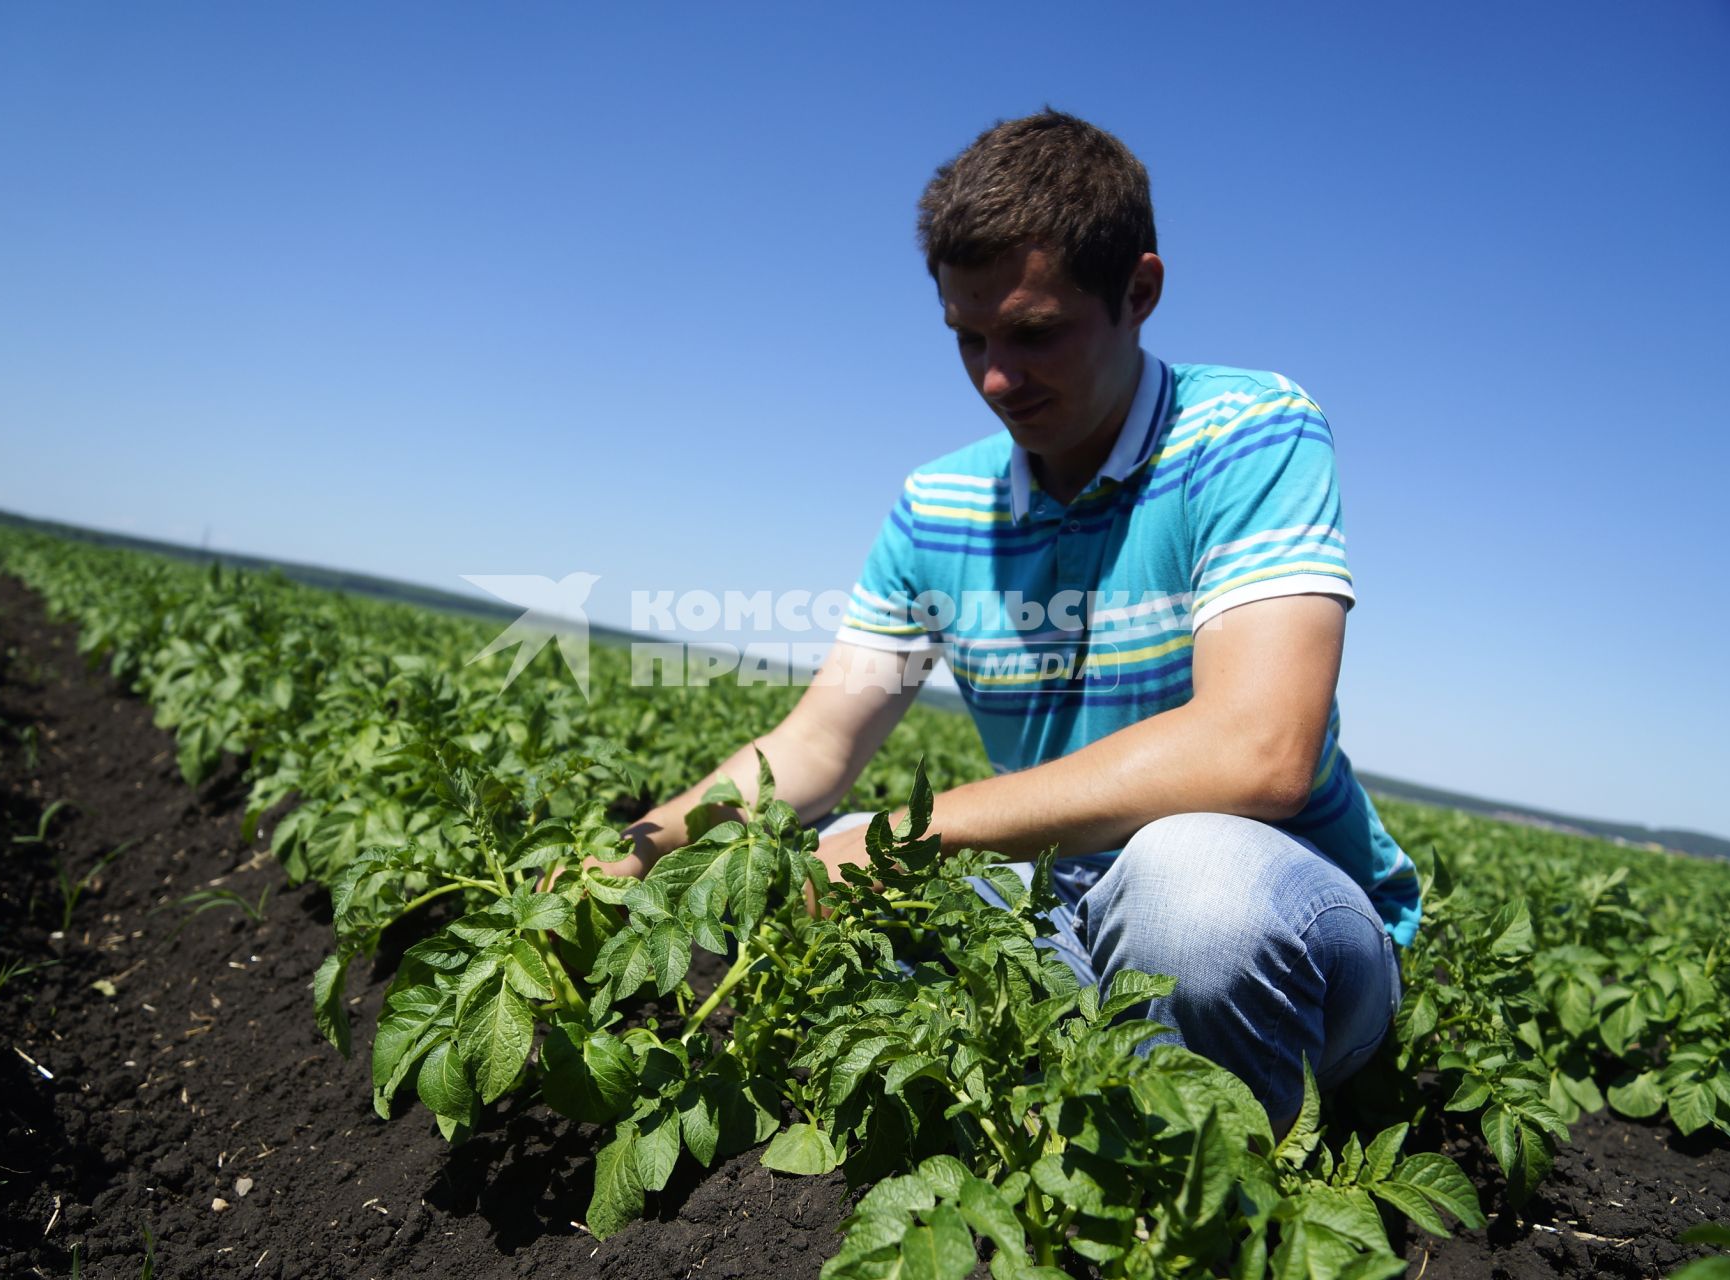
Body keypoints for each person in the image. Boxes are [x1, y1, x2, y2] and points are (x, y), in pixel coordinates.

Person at [599, 109, 1419, 1130]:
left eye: (1033, 333)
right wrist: (631, 855)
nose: (995, 376)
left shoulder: (1247, 434)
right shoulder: (938, 503)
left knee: (1187, 885)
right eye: (967, 336)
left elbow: (1259, 750)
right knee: (832, 864)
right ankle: (1068, 1128)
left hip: (1286, 921)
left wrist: (916, 831)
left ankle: (1220, 1185)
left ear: (1139, 293)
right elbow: (814, 742)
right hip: (1053, 911)